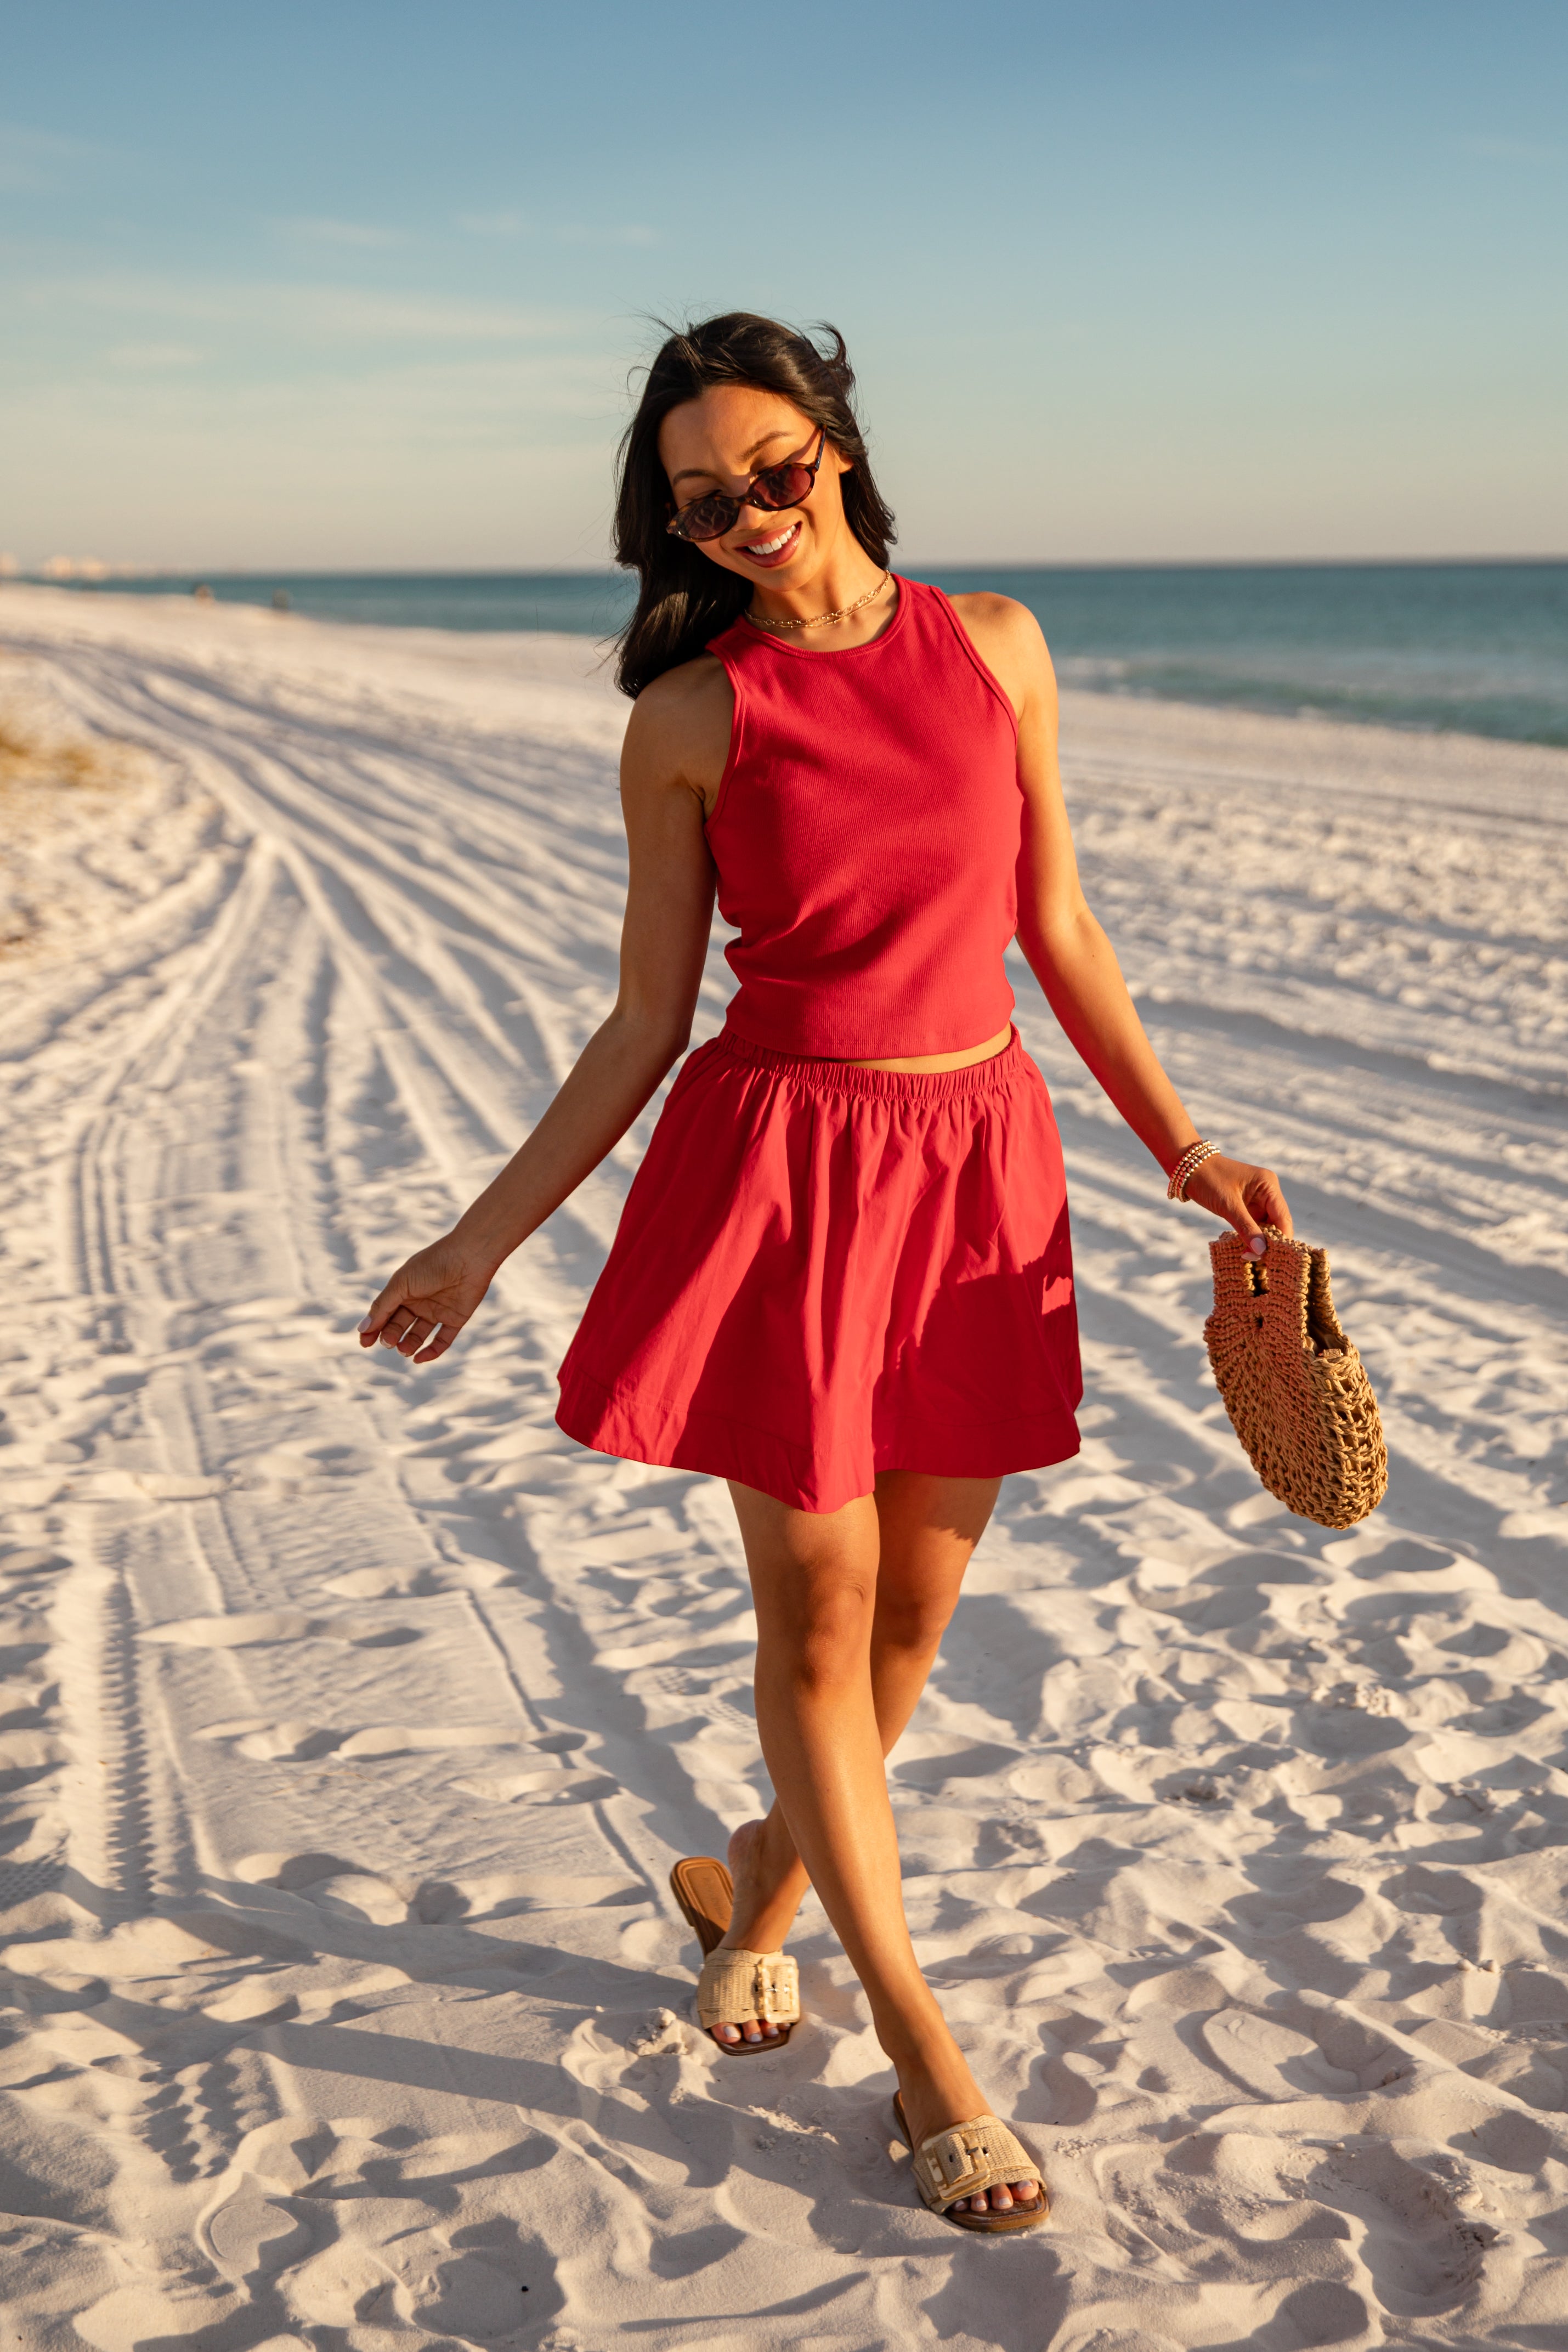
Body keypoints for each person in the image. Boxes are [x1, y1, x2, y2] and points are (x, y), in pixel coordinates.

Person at [358, 313, 1293, 2232]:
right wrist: (479, 1236)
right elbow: (638, 1025)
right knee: (814, 1624)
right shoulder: (690, 720)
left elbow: (1053, 920)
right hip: (784, 1178)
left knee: (907, 1644)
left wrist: (1180, 1146)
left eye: (774, 470)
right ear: (674, 527)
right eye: (701, 501)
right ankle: (926, 2057)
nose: (748, 515)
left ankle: (751, 1890)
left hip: (973, 1170)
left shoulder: (1000, 648)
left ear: (839, 449)